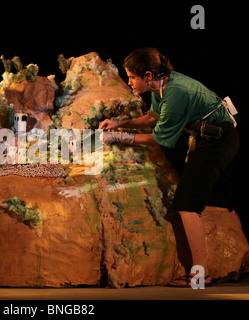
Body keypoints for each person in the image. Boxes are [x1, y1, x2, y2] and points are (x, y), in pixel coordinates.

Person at [99, 47, 241, 287]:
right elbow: (152, 118)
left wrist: (122, 138)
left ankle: (200, 276)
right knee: (215, 200)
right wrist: (119, 124)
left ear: (147, 75)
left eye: (132, 77)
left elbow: (158, 138)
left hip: (217, 142)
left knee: (186, 204)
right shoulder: (161, 86)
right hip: (211, 139)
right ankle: (227, 263)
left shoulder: (174, 93)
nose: (129, 82)